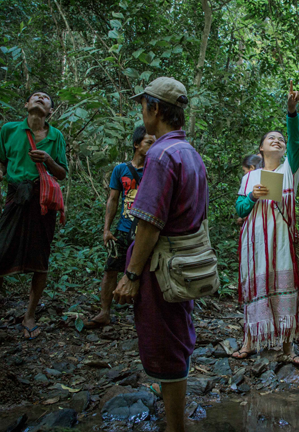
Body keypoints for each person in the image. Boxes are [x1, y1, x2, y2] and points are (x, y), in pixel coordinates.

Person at [112, 77, 206, 432]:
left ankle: (175, 426)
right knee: (176, 337)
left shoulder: (161, 155)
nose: (142, 111)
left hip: (162, 267)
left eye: (143, 105)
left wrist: (131, 276)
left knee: (165, 343)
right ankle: (176, 422)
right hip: (185, 264)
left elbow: (149, 223)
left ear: (154, 108)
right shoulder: (189, 153)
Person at [0, 90, 68, 341]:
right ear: (26, 104)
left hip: (42, 202)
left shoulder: (56, 137)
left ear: (50, 112)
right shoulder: (9, 130)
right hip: (15, 198)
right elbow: (1, 161)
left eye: (46, 98)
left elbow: (62, 172)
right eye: (35, 96)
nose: (40, 98)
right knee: (0, 255)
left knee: (40, 258)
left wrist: (47, 159)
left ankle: (29, 316)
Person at [232, 82, 299, 362]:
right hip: (254, 240)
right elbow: (240, 208)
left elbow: (296, 143)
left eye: (280, 139)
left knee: (283, 287)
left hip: (281, 238)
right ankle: (249, 340)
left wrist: (291, 111)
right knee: (255, 285)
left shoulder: (290, 169)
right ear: (261, 148)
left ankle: (288, 348)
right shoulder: (248, 177)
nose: (277, 140)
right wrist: (251, 196)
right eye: (271, 138)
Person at [85, 126, 155, 329]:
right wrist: (107, 229)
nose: (152, 147)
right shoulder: (120, 170)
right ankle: (104, 312)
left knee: (147, 275)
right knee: (111, 270)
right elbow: (113, 199)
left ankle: (145, 319)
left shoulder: (155, 170)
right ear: (136, 144)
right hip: (124, 230)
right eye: (148, 142)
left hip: (146, 231)